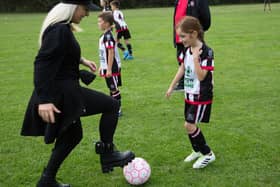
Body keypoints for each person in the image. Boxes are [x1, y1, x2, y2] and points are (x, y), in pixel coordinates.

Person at [21, 1, 135, 186]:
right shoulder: (59, 30)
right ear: (73, 7)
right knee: (112, 105)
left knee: (73, 135)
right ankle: (107, 154)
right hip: (62, 93)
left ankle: (47, 180)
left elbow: (61, 53)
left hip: (65, 90)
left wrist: (81, 61)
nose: (87, 14)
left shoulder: (62, 29)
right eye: (85, 9)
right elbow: (42, 63)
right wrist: (44, 100)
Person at [166, 16, 215, 169]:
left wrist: (196, 59)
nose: (180, 40)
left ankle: (208, 154)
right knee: (188, 124)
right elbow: (182, 68)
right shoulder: (187, 50)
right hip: (189, 94)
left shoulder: (206, 52)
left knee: (189, 125)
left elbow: (201, 76)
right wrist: (172, 86)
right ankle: (197, 150)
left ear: (193, 34)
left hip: (201, 95)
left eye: (183, 36)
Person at [173, 0, 211, 91]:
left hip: (192, 36)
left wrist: (197, 32)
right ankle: (183, 83)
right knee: (182, 60)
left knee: (198, 59)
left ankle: (203, 83)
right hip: (181, 37)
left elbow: (206, 19)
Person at [97, 11, 123, 117]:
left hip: (112, 67)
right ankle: (113, 107)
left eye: (100, 21)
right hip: (107, 66)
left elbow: (111, 52)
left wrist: (108, 69)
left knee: (113, 88)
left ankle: (118, 109)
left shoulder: (108, 36)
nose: (98, 24)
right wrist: (101, 66)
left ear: (107, 23)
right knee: (111, 88)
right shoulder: (104, 35)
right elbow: (104, 53)